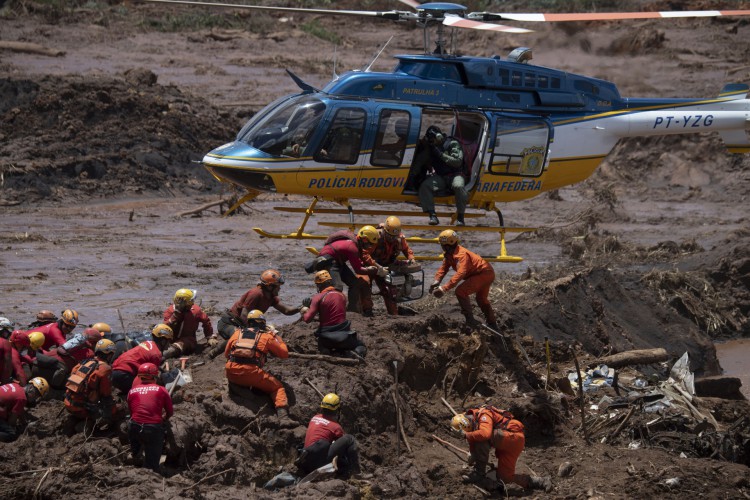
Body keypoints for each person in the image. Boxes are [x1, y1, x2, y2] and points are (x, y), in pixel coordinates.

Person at [451, 406, 551, 492]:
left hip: (513, 437)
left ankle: (479, 473)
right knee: (506, 479)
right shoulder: (474, 420)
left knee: (482, 436)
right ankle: (540, 481)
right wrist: (472, 453)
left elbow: (485, 435)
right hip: (509, 443)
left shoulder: (484, 414)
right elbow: (475, 437)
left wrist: (466, 435)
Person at [224, 310, 293, 426]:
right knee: (278, 387)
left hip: (231, 371)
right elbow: (284, 354)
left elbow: (227, 354)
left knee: (241, 377)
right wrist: (275, 335)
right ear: (262, 324)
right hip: (251, 373)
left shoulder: (237, 333)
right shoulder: (266, 337)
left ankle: (239, 387)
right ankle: (284, 418)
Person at [213, 269, 302, 358]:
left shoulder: (271, 297)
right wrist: (252, 332)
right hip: (229, 323)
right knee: (239, 336)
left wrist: (300, 308)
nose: (279, 288)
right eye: (277, 286)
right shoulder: (256, 294)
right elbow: (244, 315)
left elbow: (286, 311)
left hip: (243, 324)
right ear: (270, 287)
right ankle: (213, 353)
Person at [429, 230, 498, 330]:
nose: (442, 247)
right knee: (481, 299)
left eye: (443, 245)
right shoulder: (449, 254)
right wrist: (437, 280)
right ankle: (493, 324)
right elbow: (444, 268)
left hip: (483, 273)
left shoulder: (461, 255)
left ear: (448, 245)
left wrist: (444, 288)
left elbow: (461, 273)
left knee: (461, 291)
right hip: (486, 272)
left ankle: (470, 320)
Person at [313, 226, 385, 313]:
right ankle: (322, 310)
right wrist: (374, 270)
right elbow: (358, 270)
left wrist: (378, 267)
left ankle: (352, 311)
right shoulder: (352, 247)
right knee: (337, 287)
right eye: (369, 244)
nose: (369, 247)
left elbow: (363, 257)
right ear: (365, 240)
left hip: (338, 261)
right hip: (328, 262)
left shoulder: (356, 242)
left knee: (354, 283)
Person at [359, 216, 417, 316]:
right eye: (390, 236)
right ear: (385, 231)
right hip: (369, 267)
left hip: (386, 267)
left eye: (394, 236)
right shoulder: (375, 236)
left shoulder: (399, 239)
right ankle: (367, 311)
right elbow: (364, 254)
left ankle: (393, 313)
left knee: (390, 291)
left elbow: (407, 250)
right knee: (364, 284)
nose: (392, 239)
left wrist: (411, 259)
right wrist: (376, 266)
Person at [301, 270, 366, 358]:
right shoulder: (342, 296)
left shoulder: (317, 297)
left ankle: (326, 351)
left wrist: (305, 309)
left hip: (326, 340)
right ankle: (356, 353)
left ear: (318, 285)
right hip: (344, 337)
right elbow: (334, 317)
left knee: (322, 344)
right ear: (331, 282)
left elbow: (307, 319)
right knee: (361, 345)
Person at [297, 393, 361, 478]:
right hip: (318, 464)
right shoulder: (335, 427)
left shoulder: (314, 418)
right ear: (337, 409)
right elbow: (342, 447)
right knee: (349, 439)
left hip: (305, 462)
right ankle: (356, 472)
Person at [413, 125, 467, 226]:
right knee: (425, 186)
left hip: (456, 175)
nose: (432, 142)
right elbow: (421, 160)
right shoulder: (432, 148)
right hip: (442, 177)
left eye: (433, 140)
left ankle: (460, 217)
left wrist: (441, 155)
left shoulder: (452, 144)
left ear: (438, 137)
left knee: (458, 186)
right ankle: (432, 215)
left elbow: (457, 162)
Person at [63, 338, 120, 432]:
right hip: (82, 408)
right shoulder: (105, 369)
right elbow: (105, 394)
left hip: (68, 402)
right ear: (109, 355)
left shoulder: (83, 363)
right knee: (118, 410)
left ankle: (78, 420)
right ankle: (89, 424)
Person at [127, 362, 173, 474]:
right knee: (152, 465)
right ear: (154, 376)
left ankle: (135, 456)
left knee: (137, 446)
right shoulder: (161, 389)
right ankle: (150, 475)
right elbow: (170, 412)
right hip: (153, 429)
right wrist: (163, 418)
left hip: (134, 427)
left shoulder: (132, 391)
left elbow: (132, 411)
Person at [111, 324, 172, 394]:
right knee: (147, 389)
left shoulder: (147, 343)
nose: (169, 345)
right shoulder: (156, 354)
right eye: (169, 341)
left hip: (114, 371)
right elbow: (153, 377)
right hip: (124, 375)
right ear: (163, 341)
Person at [33, 327, 101, 388]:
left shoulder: (71, 342)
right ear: (93, 342)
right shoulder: (90, 353)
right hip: (49, 373)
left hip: (37, 365)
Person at [162, 288, 217, 359]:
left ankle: (163, 356)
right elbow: (165, 328)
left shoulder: (195, 311)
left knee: (179, 345)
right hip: (171, 339)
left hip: (188, 340)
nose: (193, 303)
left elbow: (206, 321)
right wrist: (176, 315)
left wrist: (209, 337)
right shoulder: (170, 311)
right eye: (191, 301)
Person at [0, 377, 48, 442]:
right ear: (31, 388)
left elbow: (20, 410)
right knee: (12, 434)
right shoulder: (22, 398)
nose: (35, 399)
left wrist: (24, 423)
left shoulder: (16, 386)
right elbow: (11, 422)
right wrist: (17, 429)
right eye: (36, 395)